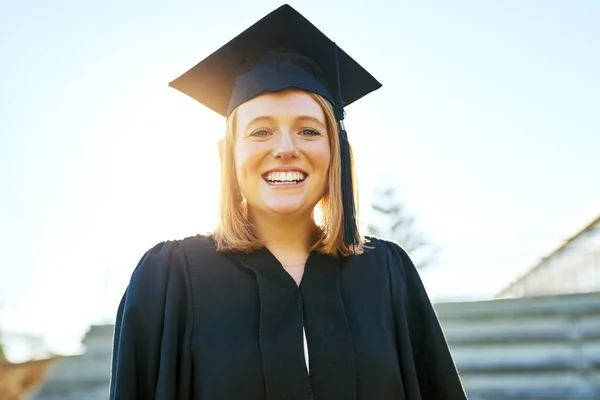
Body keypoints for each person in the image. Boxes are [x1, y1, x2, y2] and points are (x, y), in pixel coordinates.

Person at [109, 4, 467, 400]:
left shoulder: (387, 273)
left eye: (309, 130)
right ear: (228, 156)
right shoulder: (169, 279)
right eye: (260, 131)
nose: (285, 148)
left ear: (337, 152)